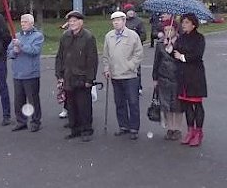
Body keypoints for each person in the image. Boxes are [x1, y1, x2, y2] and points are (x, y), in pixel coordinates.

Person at [55, 11, 98, 142]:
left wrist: (90, 79)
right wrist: (59, 74)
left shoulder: (88, 37)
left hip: (82, 77)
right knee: (71, 105)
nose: (72, 24)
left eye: (74, 21)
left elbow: (92, 60)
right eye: (70, 21)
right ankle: (75, 129)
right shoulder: (65, 36)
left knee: (83, 105)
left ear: (81, 22)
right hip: (68, 76)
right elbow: (60, 56)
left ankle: (86, 130)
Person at [102, 11, 144, 140]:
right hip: (115, 75)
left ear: (124, 21)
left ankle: (134, 128)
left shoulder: (132, 35)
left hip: (130, 76)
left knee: (133, 102)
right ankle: (123, 126)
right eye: (114, 21)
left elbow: (139, 54)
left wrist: (130, 65)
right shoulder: (109, 36)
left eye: (118, 20)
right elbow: (106, 55)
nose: (116, 23)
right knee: (119, 102)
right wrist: (106, 68)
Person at [174, 13, 207, 146]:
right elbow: (175, 53)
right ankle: (190, 131)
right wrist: (170, 48)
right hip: (182, 75)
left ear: (194, 24)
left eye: (187, 22)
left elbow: (197, 55)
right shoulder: (181, 38)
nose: (184, 25)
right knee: (187, 105)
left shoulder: (199, 38)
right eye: (183, 22)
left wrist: (182, 57)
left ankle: (198, 132)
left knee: (197, 104)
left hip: (195, 75)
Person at [8, 14, 45, 132]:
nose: (22, 24)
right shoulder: (16, 36)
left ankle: (35, 121)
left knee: (33, 100)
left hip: (31, 74)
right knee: (19, 100)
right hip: (17, 73)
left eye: (25, 22)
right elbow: (9, 52)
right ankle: (21, 121)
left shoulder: (37, 36)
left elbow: (35, 50)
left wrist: (21, 46)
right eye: (22, 22)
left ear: (32, 23)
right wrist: (14, 51)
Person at [152, 19, 183, 140]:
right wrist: (155, 78)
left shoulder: (180, 43)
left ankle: (178, 128)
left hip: (177, 77)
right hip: (163, 77)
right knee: (166, 105)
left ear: (175, 30)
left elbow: (184, 60)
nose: (168, 32)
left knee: (177, 105)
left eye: (170, 30)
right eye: (165, 30)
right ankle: (170, 128)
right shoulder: (160, 44)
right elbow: (156, 61)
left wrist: (175, 51)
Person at [123, 5, 146, 94]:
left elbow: (143, 35)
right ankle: (126, 86)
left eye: (132, 11)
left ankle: (138, 86)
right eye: (129, 11)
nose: (131, 12)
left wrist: (136, 41)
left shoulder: (139, 21)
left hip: (136, 48)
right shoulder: (123, 21)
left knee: (136, 67)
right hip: (124, 48)